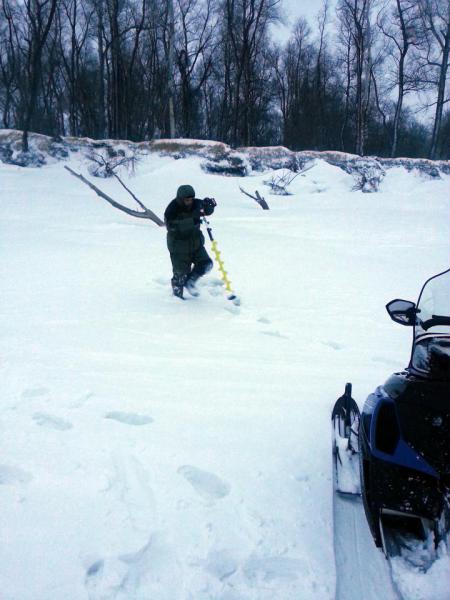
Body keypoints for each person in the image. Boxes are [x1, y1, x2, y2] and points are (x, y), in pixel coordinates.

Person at [164, 185, 216, 299]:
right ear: (180, 199)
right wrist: (192, 219)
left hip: (195, 243)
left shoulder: (196, 203)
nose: (190, 202)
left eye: (191, 199)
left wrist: (209, 206)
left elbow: (205, 210)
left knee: (206, 264)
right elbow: (172, 226)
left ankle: (190, 282)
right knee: (180, 275)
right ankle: (177, 299)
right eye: (187, 200)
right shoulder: (172, 209)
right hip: (179, 247)